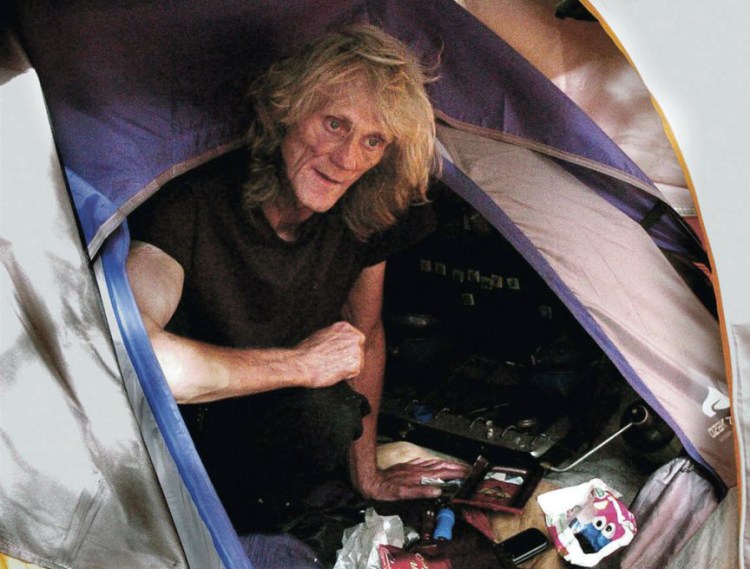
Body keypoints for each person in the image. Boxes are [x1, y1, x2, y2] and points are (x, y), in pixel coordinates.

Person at [126, 24, 467, 535]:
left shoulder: (362, 210)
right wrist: (300, 364)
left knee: (325, 413)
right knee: (318, 405)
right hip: (175, 444)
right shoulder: (192, 203)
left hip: (278, 438)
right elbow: (139, 356)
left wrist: (368, 475)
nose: (347, 159)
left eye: (372, 141)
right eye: (334, 124)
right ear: (287, 108)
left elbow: (365, 335)